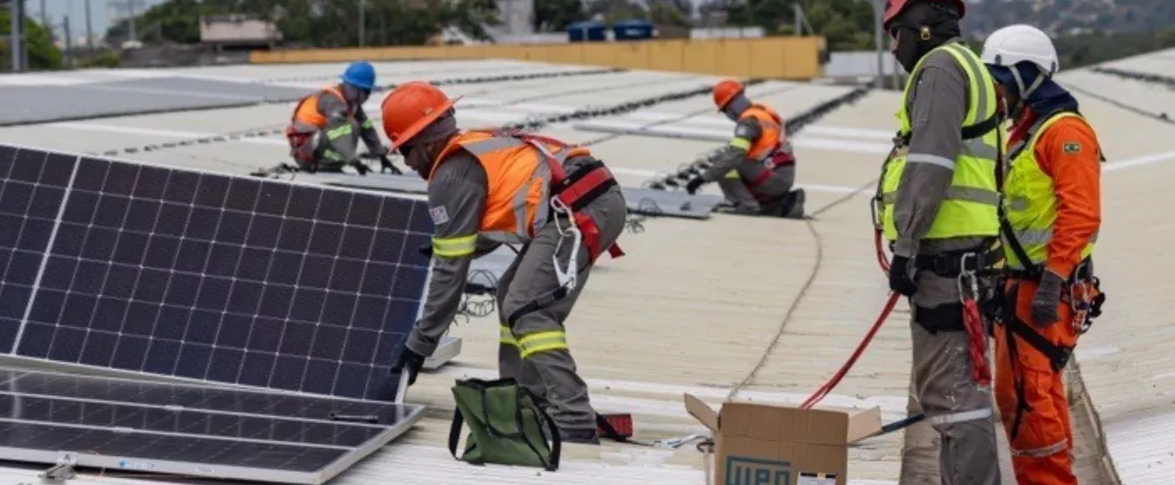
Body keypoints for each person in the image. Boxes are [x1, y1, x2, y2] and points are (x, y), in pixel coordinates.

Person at [381, 81, 628, 444]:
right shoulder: (474, 148)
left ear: (427, 142)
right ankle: (525, 399)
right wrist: (446, 248)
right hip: (587, 199)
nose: (406, 162)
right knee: (510, 294)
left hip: (577, 210)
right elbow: (477, 236)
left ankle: (572, 416)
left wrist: (421, 344)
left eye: (406, 150)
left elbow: (452, 274)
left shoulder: (450, 173)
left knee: (529, 310)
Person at [874, 0, 1005, 484]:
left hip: (946, 257)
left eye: (894, 33)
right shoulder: (967, 67)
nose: (892, 47)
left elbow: (930, 162)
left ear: (918, 26)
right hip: (959, 255)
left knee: (955, 396)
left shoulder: (940, 70)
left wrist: (906, 245)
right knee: (951, 394)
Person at [982, 24, 1104, 485]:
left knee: (1031, 402)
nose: (994, 93)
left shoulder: (1065, 132)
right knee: (1022, 398)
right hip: (1022, 288)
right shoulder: (1025, 134)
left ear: (1024, 75)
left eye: (998, 80)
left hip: (1044, 289)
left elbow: (1081, 214)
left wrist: (1052, 281)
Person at [684, 79, 804, 218]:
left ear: (731, 106)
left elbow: (735, 156)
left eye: (725, 110)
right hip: (778, 174)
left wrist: (702, 179)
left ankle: (747, 205)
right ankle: (765, 205)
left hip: (774, 178)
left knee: (726, 162)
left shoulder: (748, 122)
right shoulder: (761, 112)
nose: (727, 114)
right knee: (729, 160)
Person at [284, 60, 400, 175]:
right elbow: (338, 134)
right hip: (306, 153)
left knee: (357, 123)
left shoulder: (351, 103)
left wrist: (380, 155)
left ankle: (331, 163)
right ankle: (325, 165)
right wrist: (355, 162)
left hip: (315, 145)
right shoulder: (334, 102)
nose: (366, 96)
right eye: (365, 91)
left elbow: (366, 127)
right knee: (350, 125)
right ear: (354, 88)